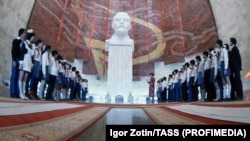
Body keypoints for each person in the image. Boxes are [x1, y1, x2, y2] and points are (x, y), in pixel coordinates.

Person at [10, 28, 26, 98]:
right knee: (14, 75)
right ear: (21, 33)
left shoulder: (24, 42)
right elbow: (13, 51)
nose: (25, 35)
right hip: (16, 59)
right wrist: (13, 60)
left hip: (21, 60)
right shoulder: (16, 41)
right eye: (24, 33)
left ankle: (17, 92)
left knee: (18, 76)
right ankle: (12, 92)